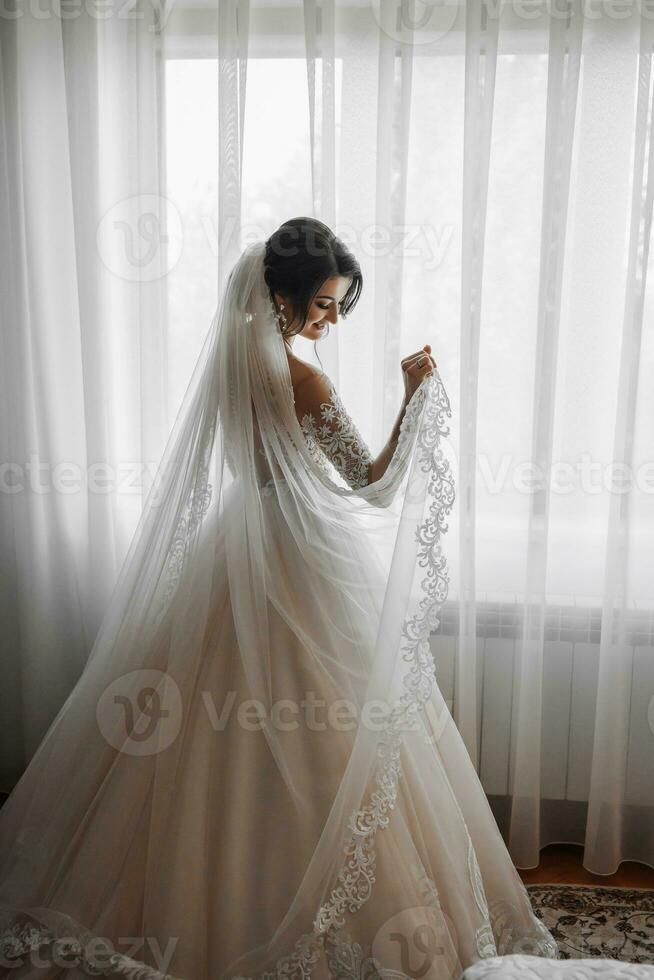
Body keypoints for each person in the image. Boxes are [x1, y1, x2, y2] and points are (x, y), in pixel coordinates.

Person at [0, 218, 558, 979]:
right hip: (304, 558)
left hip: (237, 546)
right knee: (331, 723)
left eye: (337, 308)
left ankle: (209, 890)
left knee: (215, 724)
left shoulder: (230, 370)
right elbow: (372, 482)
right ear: (283, 298)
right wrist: (416, 397)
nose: (331, 321)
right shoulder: (305, 381)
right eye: (323, 306)